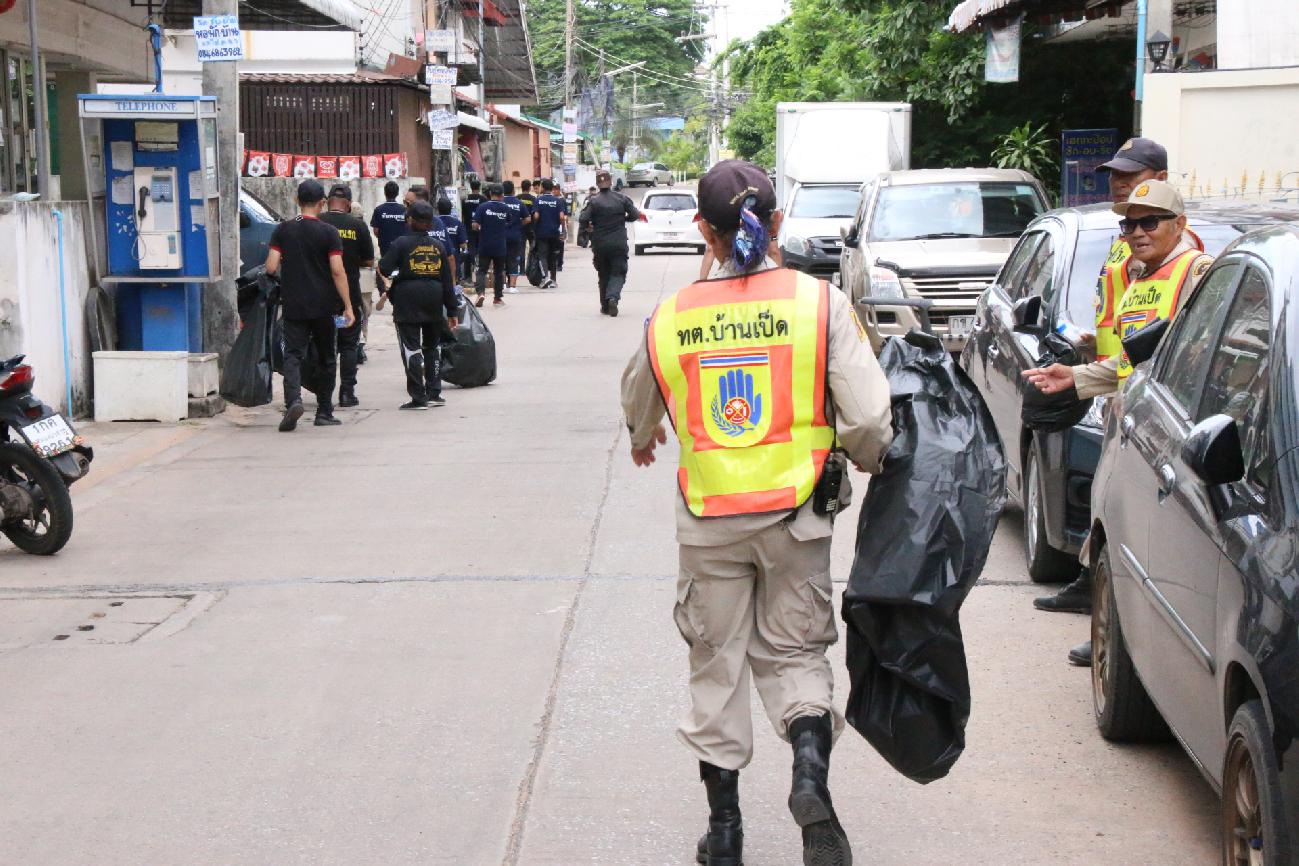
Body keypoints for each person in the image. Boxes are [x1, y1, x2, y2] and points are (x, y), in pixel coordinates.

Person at [620, 160, 893, 866]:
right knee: (797, 654)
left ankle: (726, 834)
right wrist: (869, 457)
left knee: (716, 665)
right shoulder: (817, 302)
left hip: (709, 520)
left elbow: (638, 397)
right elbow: (868, 418)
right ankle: (809, 780)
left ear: (704, 232)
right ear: (776, 223)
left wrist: (643, 436)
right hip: (796, 516)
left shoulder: (674, 314)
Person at [1031, 137, 1203, 668]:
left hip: (1162, 429)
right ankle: (1111, 630)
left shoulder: (1193, 269)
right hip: (1124, 412)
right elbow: (1127, 347)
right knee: (1111, 524)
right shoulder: (1138, 267)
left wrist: (1084, 377)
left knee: (1138, 539)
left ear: (1177, 221)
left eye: (1149, 222)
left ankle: (1130, 646)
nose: (1137, 232)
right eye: (1129, 225)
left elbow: (1172, 354)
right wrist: (1082, 360)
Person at [264, 179, 355, 432]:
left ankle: (293, 401)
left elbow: (270, 266)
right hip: (325, 306)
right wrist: (348, 305)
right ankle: (324, 411)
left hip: (294, 304)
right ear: (322, 203)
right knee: (327, 357)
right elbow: (337, 271)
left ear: (297, 201)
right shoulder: (329, 232)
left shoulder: (283, 230)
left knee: (292, 355)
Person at [378, 201, 460, 409]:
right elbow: (447, 280)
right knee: (432, 347)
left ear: (410, 221)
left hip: (408, 299)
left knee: (411, 348)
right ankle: (434, 393)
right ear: (431, 223)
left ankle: (418, 397)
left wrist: (398, 272)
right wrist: (452, 310)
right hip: (434, 298)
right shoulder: (438, 246)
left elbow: (384, 267)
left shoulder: (400, 243)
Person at [320, 183, 374, 408]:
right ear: (349, 205)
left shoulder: (318, 222)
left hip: (321, 298)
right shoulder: (357, 225)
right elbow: (369, 260)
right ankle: (347, 392)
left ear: (327, 201)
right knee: (348, 345)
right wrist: (351, 261)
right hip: (348, 299)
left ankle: (323, 395)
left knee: (323, 345)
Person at [579, 169, 642, 317]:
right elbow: (635, 214)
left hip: (600, 243)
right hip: (618, 242)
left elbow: (583, 218)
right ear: (611, 182)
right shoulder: (622, 198)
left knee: (603, 273)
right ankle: (613, 297)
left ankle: (605, 306)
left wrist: (589, 226)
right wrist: (623, 219)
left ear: (597, 184)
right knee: (618, 272)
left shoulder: (593, 201)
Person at [472, 184, 513, 307]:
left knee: (482, 270)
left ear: (490, 194)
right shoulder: (505, 208)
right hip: (500, 245)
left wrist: (480, 228)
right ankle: (497, 298)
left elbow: (474, 225)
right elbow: (509, 221)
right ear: (502, 195)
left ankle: (481, 293)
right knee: (499, 272)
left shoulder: (482, 207)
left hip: (485, 244)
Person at [531, 178, 568, 289]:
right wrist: (563, 230)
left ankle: (545, 277)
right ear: (552, 188)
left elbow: (536, 216)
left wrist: (535, 225)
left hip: (541, 232)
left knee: (542, 255)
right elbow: (562, 217)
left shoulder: (539, 200)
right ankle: (553, 280)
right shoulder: (558, 201)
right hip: (554, 232)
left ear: (542, 187)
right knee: (553, 256)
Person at [501, 180, 531, 294]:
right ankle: (512, 286)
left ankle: (503, 285)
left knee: (501, 260)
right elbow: (528, 218)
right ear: (513, 190)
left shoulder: (499, 203)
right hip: (515, 235)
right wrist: (519, 224)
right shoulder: (519, 203)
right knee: (513, 260)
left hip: (500, 236)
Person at [437, 197, 469, 281]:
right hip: (454, 261)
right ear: (451, 208)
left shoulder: (434, 223)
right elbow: (463, 245)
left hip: (436, 261)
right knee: (453, 283)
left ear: (438, 209)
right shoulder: (458, 223)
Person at [461, 178, 485, 286]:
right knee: (481, 251)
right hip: (481, 228)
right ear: (479, 187)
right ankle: (480, 273)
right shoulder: (483, 199)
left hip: (468, 228)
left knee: (470, 251)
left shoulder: (465, 199)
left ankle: (468, 275)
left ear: (471, 187)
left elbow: (463, 215)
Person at [518, 179, 538, 275]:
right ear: (530, 188)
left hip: (520, 227)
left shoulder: (517, 198)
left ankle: (522, 270)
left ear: (521, 187)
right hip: (531, 227)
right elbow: (535, 214)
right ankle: (532, 269)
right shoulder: (534, 199)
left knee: (521, 249)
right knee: (533, 248)